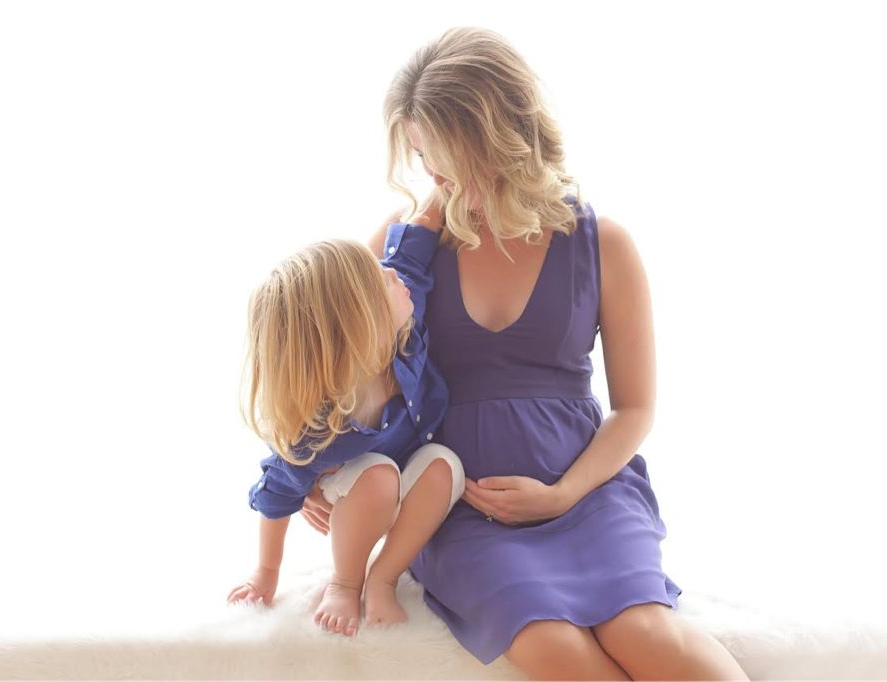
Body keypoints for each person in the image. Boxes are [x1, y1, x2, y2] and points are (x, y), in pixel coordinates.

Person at [299, 27, 750, 680]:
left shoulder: (603, 244)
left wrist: (562, 494)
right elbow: (332, 373)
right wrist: (312, 471)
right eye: (423, 156)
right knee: (551, 645)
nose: (435, 177)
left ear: (502, 136)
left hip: (588, 492)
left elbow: (635, 409)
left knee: (646, 631)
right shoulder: (402, 247)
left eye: (446, 155)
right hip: (458, 505)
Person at [226, 202, 465, 639]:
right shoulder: (316, 429)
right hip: (359, 492)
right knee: (377, 477)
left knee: (445, 465)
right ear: (358, 326)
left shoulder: (403, 316)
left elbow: (408, 256)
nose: (391, 273)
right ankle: (346, 583)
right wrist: (265, 573)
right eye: (380, 279)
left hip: (410, 479)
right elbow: (277, 495)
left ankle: (383, 577)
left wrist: (436, 200)